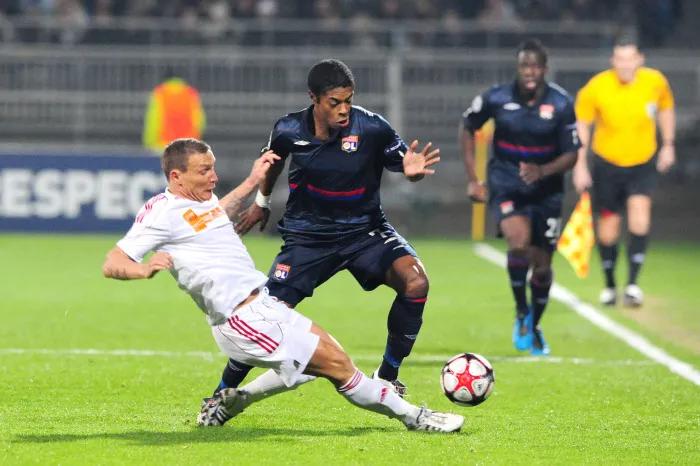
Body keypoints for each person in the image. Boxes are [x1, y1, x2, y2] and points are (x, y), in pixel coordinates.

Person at [102, 138, 463, 432]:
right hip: (240, 318)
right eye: (204, 171)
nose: (213, 177)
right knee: (340, 367)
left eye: (212, 167)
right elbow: (113, 262)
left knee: (312, 366)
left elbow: (212, 216)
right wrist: (144, 269)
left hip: (263, 305)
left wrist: (251, 181)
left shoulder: (198, 200)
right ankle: (416, 418)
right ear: (177, 176)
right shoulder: (160, 214)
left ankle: (232, 402)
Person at [212, 58, 440, 398]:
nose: (344, 109)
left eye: (349, 100)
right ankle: (221, 393)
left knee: (416, 281)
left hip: (365, 232)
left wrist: (412, 171)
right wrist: (262, 202)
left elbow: (404, 160)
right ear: (314, 98)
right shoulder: (288, 130)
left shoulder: (372, 128)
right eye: (335, 102)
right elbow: (272, 163)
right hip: (308, 237)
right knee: (264, 314)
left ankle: (388, 374)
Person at [460, 39, 580, 356]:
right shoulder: (496, 97)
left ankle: (536, 324)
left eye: (535, 67)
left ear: (544, 69)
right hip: (506, 183)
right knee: (518, 242)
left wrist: (543, 171)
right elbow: (468, 126)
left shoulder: (562, 103)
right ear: (518, 68)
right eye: (524, 66)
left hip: (547, 189)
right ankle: (522, 311)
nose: (529, 72)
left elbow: (572, 154)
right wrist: (474, 179)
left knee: (541, 267)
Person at [573, 36, 675, 307]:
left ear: (640, 59)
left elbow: (666, 110)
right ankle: (609, 285)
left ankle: (632, 284)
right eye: (620, 59)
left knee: (640, 220)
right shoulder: (598, 87)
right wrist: (580, 164)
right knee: (608, 229)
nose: (625, 64)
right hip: (607, 165)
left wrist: (668, 145)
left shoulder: (655, 82)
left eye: (630, 58)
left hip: (642, 163)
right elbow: (581, 124)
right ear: (613, 61)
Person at [142, 69, 206, 154]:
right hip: (188, 148)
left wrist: (149, 143)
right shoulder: (190, 93)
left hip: (163, 147)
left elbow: (153, 121)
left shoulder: (160, 93)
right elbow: (199, 121)